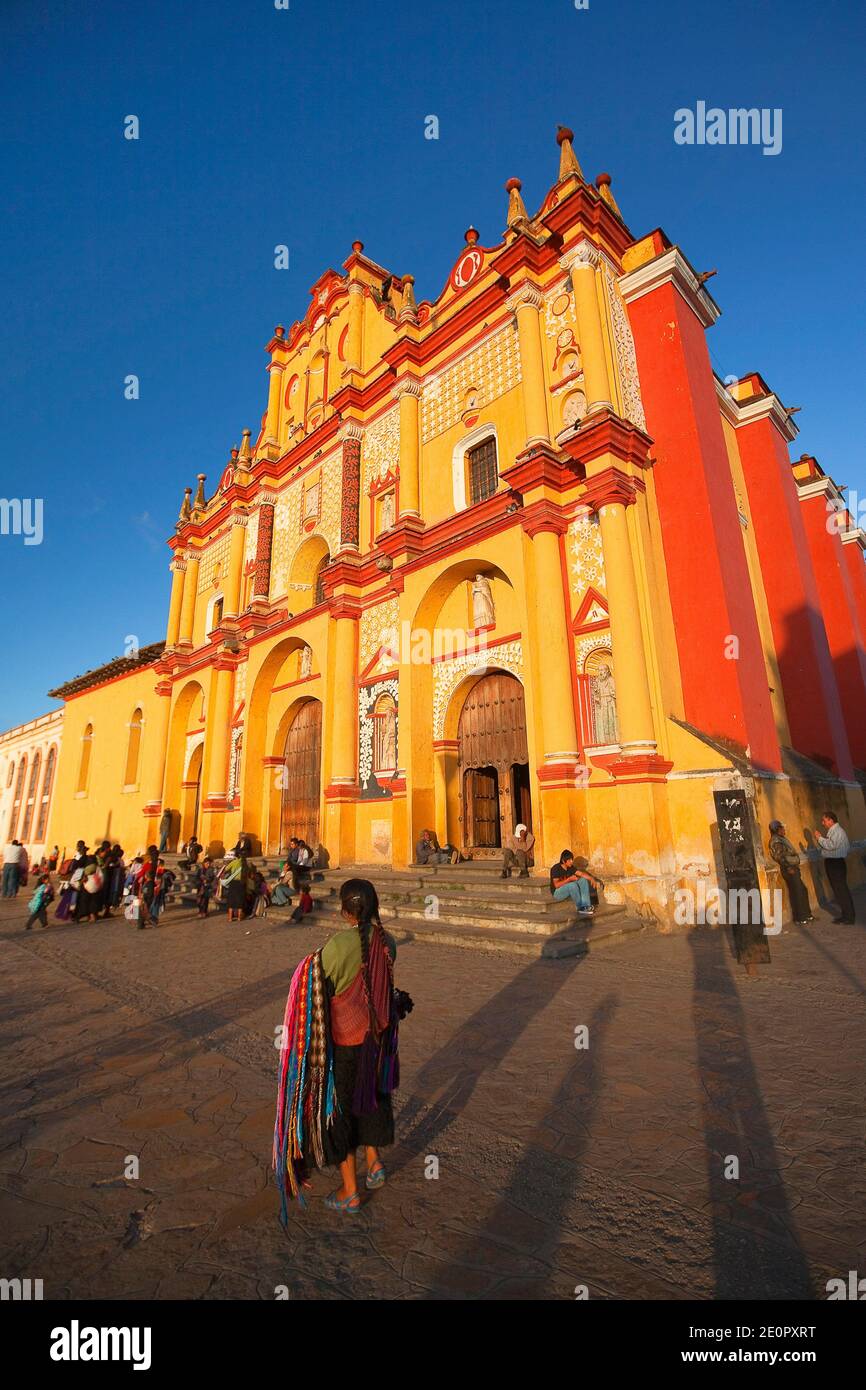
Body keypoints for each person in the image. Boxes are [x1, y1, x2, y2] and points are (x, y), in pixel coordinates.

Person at [274, 879, 407, 1215]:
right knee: (374, 1098)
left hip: (346, 1041)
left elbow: (321, 980)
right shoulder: (388, 941)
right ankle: (374, 1164)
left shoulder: (337, 944)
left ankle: (350, 1190)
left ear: (346, 911)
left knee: (341, 1111)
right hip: (377, 1039)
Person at [768, 820, 813, 925]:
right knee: (797, 892)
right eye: (782, 828)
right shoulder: (776, 841)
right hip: (789, 868)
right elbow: (780, 857)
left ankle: (807, 914)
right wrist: (788, 867)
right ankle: (800, 917)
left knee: (802, 890)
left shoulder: (781, 839)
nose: (784, 830)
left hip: (793, 867)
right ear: (777, 829)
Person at [814, 811, 855, 924]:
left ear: (831, 820)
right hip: (834, 863)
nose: (822, 823)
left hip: (836, 864)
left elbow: (832, 845)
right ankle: (846, 915)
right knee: (839, 890)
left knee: (841, 890)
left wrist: (819, 839)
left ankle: (849, 917)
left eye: (824, 820)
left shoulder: (837, 831)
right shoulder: (833, 831)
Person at [549, 850, 601, 916]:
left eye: (572, 859)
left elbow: (581, 874)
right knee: (572, 885)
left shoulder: (570, 867)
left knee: (583, 880)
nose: (571, 861)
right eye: (569, 860)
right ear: (563, 861)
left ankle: (586, 906)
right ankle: (580, 907)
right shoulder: (555, 868)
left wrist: (591, 878)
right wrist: (569, 879)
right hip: (557, 893)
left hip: (568, 888)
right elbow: (556, 885)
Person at [135, 846, 161, 929]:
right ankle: (150, 919)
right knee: (151, 905)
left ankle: (142, 922)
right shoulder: (159, 864)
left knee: (143, 905)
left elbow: (140, 874)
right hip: (155, 886)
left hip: (146, 886)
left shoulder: (148, 865)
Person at [223, 849, 249, 923]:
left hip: (234, 882)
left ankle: (230, 918)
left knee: (231, 900)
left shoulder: (234, 862)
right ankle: (239, 918)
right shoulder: (245, 863)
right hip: (242, 883)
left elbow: (226, 869)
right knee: (240, 900)